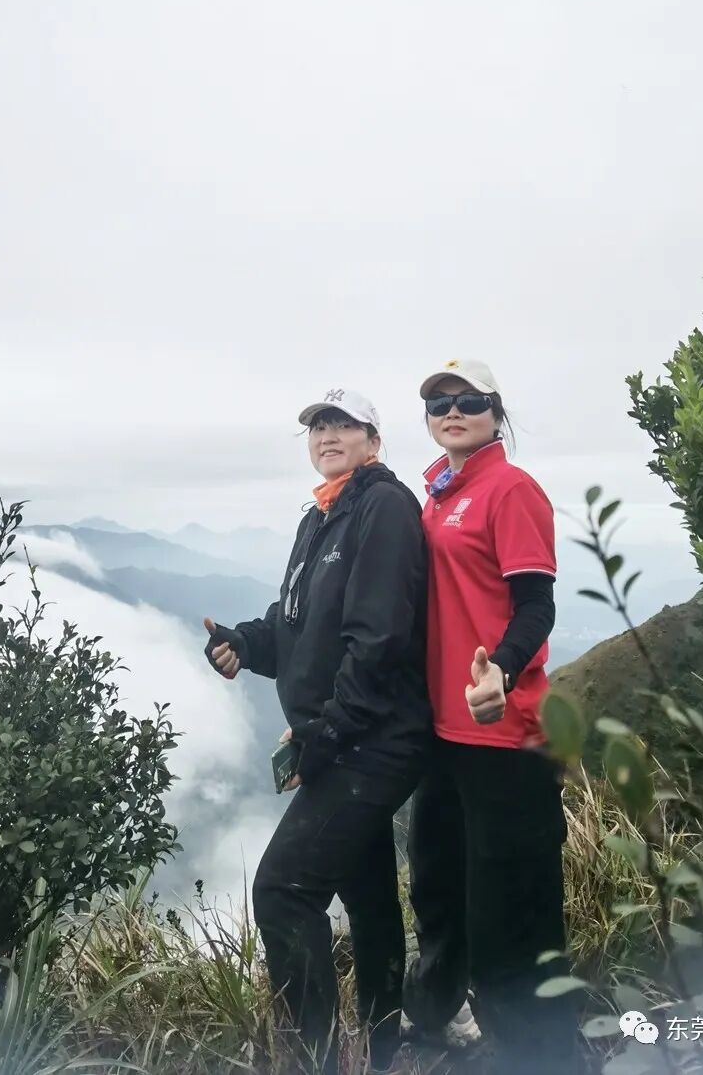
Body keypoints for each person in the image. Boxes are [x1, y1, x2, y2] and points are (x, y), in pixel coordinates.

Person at [202, 387, 432, 1075]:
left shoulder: (385, 509)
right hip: (346, 736)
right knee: (367, 889)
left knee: (283, 890)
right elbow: (293, 623)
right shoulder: (321, 516)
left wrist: (321, 737)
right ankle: (385, 1046)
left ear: (374, 441)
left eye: (344, 425)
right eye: (318, 426)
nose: (328, 435)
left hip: (375, 739)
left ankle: (316, 1060)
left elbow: (378, 640)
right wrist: (245, 643)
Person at [402, 359, 580, 1075]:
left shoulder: (510, 489)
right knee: (438, 889)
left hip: (506, 735)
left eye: (469, 400)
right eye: (438, 403)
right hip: (445, 735)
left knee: (514, 916)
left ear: (496, 411)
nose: (452, 410)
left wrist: (501, 669)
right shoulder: (437, 495)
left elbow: (536, 605)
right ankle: (442, 1018)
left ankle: (546, 1056)